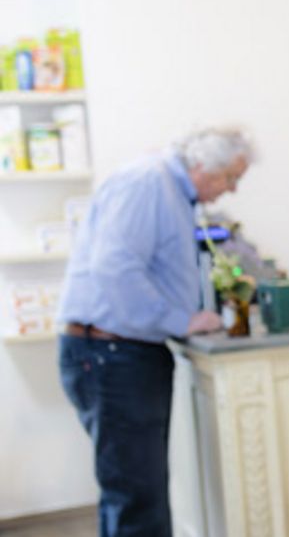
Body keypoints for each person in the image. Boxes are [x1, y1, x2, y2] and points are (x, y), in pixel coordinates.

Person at [57, 127, 253, 536]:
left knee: (133, 493)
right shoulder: (148, 182)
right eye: (229, 178)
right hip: (111, 355)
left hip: (120, 354)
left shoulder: (168, 189)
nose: (230, 189)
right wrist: (180, 321)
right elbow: (116, 270)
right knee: (136, 499)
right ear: (202, 165)